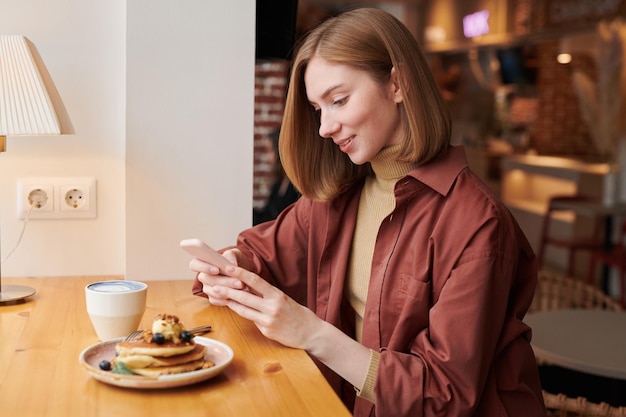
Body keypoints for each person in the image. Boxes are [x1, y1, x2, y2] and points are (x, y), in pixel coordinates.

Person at [190, 8, 546, 417]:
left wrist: (311, 332)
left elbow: (441, 396)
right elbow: (265, 253)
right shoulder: (340, 195)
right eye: (318, 109)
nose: (324, 127)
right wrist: (232, 266)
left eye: (339, 100)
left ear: (397, 83)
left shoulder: (478, 223)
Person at [253, 129, 300, 225]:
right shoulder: (278, 185)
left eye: (270, 151)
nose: (268, 158)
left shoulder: (296, 186)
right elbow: (267, 217)